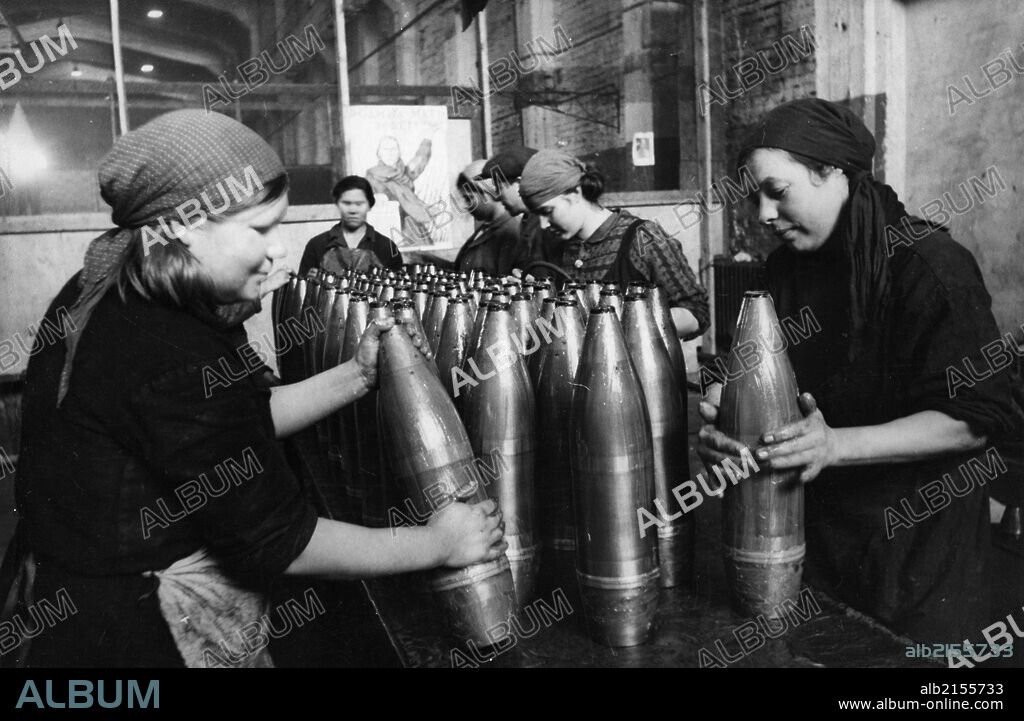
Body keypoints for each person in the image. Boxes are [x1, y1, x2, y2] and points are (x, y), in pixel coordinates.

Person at [0, 110, 504, 668]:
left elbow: (232, 420)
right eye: (259, 230)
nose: (278, 250)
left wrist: (356, 375)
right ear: (185, 227)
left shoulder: (107, 288)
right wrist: (438, 543)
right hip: (139, 627)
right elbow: (280, 541)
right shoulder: (168, 348)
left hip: (69, 595)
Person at [696, 97, 1020, 644]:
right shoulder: (784, 272)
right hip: (818, 543)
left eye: (777, 193)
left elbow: (974, 419)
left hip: (918, 555)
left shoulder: (929, 268)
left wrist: (834, 446)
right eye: (755, 198)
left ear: (833, 173)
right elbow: (753, 370)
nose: (763, 216)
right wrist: (726, 412)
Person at [518, 148, 709, 342]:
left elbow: (696, 314)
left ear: (575, 193)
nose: (543, 224)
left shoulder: (643, 238)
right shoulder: (559, 247)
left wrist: (631, 326)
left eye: (547, 211)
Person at [299, 175, 403, 275]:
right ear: (337, 204)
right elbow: (301, 289)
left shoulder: (387, 247)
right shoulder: (317, 245)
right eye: (346, 203)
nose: (353, 210)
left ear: (370, 205)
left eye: (359, 204)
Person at [481, 146, 564, 268]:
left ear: (521, 184)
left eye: (499, 187)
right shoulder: (528, 221)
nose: (497, 197)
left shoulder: (549, 223)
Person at [452, 160, 525, 276]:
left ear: (486, 193)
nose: (465, 206)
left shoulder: (512, 231)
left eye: (469, 198)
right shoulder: (487, 227)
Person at [365, 135, 434, 245]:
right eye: (386, 149)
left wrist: (427, 141)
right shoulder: (372, 175)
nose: (390, 153)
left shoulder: (404, 173)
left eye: (394, 149)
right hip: (387, 227)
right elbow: (365, 201)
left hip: (412, 226)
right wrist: (375, 199)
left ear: (399, 152)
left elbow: (420, 160)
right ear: (379, 154)